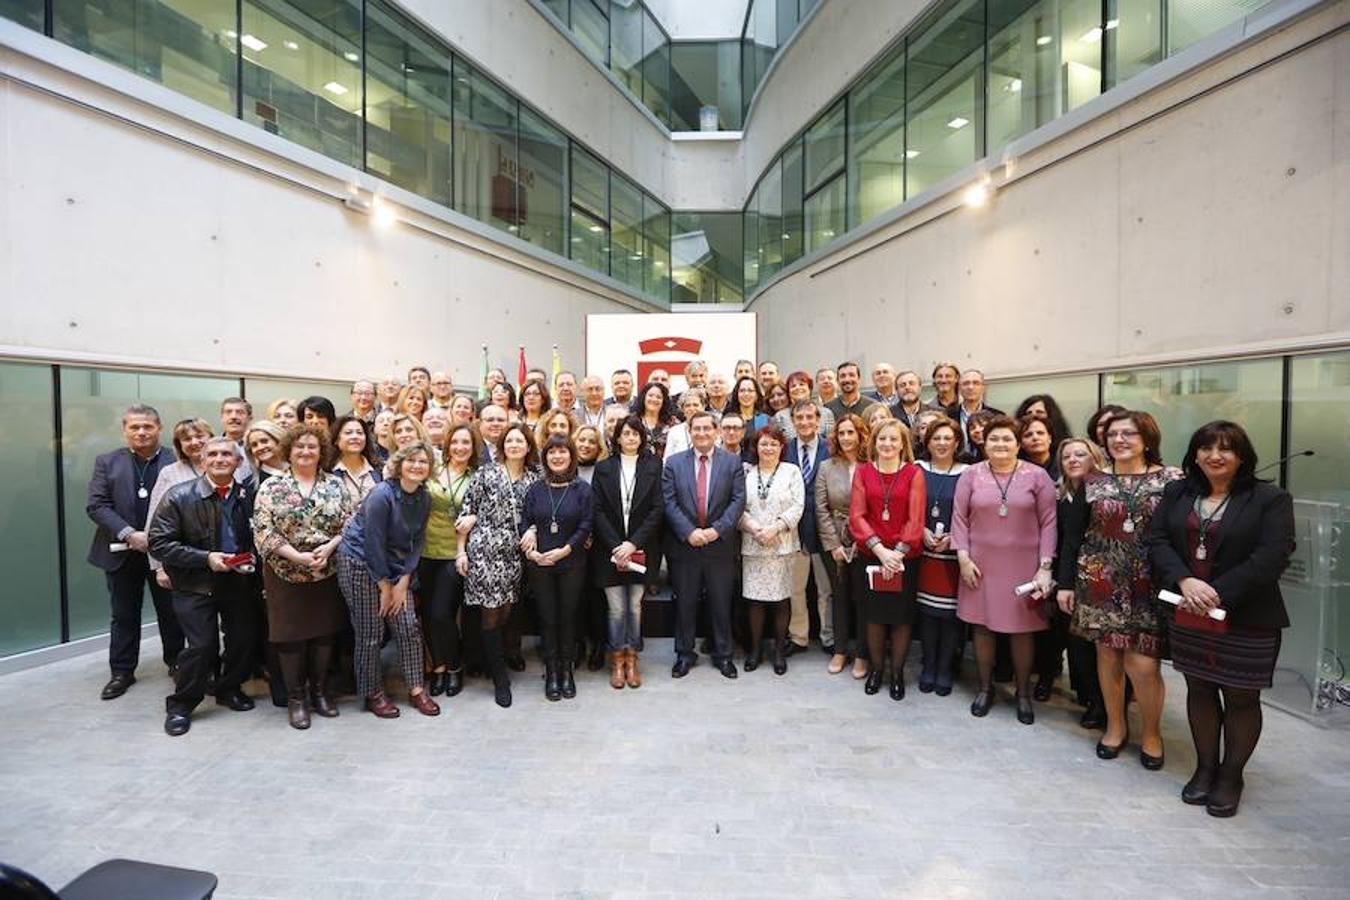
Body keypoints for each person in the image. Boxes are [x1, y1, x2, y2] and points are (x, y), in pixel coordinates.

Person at [1146, 421, 1294, 818]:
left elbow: (1272, 555)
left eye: (1226, 449)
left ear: (1241, 456)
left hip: (1247, 615)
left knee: (1242, 697)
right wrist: (1186, 580)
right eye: (1207, 448)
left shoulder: (1269, 499)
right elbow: (1156, 539)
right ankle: (1205, 768)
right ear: (1194, 455)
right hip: (1189, 610)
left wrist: (1216, 591)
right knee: (1200, 688)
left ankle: (1231, 776)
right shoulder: (1179, 492)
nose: (1216, 455)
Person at [1057, 410, 1181, 762]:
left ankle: (1152, 734)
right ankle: (1115, 726)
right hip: (1099, 581)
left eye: (1129, 433)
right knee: (1108, 657)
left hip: (1150, 583)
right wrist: (1065, 583)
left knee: (1143, 665)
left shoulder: (1172, 480)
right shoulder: (1093, 481)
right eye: (1113, 434)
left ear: (1147, 438)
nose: (1119, 440)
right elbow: (1073, 538)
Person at [148, 437, 261, 736]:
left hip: (239, 583)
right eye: (213, 454)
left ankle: (228, 689)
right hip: (195, 584)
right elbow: (158, 543)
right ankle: (181, 705)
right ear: (202, 461)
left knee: (242, 640)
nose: (220, 458)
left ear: (238, 462)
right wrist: (205, 558)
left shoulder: (250, 496)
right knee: (201, 647)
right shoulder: (178, 496)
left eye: (227, 454)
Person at [952, 416, 1057, 725]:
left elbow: (1049, 522)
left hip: (1024, 567)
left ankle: (1023, 693)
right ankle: (985, 689)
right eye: (994, 439)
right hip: (978, 564)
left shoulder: (1037, 477)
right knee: (982, 628)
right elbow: (959, 518)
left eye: (1007, 439)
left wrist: (1045, 567)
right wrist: (962, 557)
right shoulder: (970, 475)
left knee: (1021, 631)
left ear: (1018, 443)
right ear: (984, 442)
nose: (1000, 444)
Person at [251, 424, 354, 729]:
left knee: (324, 634)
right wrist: (296, 556)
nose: (306, 452)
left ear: (322, 451)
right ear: (289, 451)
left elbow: (349, 523)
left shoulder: (335, 485)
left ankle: (320, 693)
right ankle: (297, 699)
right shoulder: (272, 486)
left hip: (326, 569)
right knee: (290, 637)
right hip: (284, 572)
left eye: (312, 446)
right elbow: (263, 529)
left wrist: (330, 547)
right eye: (300, 447)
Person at [86, 403, 186, 700]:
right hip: (120, 551)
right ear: (125, 430)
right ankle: (122, 671)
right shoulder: (107, 462)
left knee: (172, 612)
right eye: (135, 427)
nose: (141, 432)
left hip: (166, 553)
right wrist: (130, 534)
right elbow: (97, 505)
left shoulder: (175, 459)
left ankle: (177, 662)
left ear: (159, 428)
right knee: (124, 614)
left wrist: (155, 538)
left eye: (148, 426)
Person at [336, 442, 439, 719]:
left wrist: (404, 581)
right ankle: (372, 692)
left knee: (408, 626)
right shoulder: (382, 494)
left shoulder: (424, 497)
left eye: (423, 462)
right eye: (411, 461)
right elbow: (373, 542)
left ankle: (417, 688)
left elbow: (416, 542)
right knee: (370, 632)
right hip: (358, 561)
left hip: (395, 567)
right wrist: (384, 586)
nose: (417, 466)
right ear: (399, 464)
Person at [460, 423, 541, 707]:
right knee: (491, 612)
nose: (515, 445)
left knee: (508, 609)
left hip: (517, 554)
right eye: (510, 441)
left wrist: (533, 530)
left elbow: (540, 515)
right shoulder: (486, 473)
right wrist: (461, 552)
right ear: (501, 446)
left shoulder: (535, 479)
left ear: (528, 446)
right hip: (485, 550)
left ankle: (496, 655)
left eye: (520, 441)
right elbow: (466, 511)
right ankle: (500, 679)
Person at [663, 411, 747, 679]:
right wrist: (689, 532)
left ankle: (724, 655)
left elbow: (738, 502)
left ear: (716, 432)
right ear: (689, 432)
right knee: (685, 603)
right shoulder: (673, 464)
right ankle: (684, 654)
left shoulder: (732, 463)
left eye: (706, 429)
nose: (701, 433)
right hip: (685, 546)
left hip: (719, 546)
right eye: (696, 429)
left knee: (721, 603)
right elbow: (669, 501)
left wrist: (715, 531)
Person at [849, 419, 926, 700]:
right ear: (874, 442)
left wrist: (897, 554)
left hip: (905, 558)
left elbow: (916, 519)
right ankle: (877, 670)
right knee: (875, 617)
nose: (888, 444)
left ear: (902, 444)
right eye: (882, 439)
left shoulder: (913, 473)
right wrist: (880, 551)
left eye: (894, 439)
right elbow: (856, 516)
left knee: (901, 619)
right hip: (872, 556)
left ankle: (897, 674)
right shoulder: (863, 472)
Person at [520, 436, 594, 700]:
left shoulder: (582, 489)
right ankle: (551, 672)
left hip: (571, 562)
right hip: (540, 563)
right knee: (548, 619)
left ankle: (567, 671)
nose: (557, 457)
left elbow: (586, 524)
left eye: (562, 452)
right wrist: (531, 545)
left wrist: (565, 550)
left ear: (571, 455)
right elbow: (525, 520)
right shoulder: (535, 489)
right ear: (545, 457)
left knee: (568, 618)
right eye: (552, 452)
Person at [592, 416, 663, 689]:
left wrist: (632, 544)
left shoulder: (653, 466)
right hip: (609, 550)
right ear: (617, 438)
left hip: (641, 548)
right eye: (626, 433)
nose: (631, 438)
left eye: (636, 433)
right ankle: (617, 659)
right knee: (617, 609)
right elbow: (596, 510)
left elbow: (658, 509)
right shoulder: (604, 468)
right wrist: (616, 545)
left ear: (641, 437)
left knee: (634, 606)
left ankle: (632, 658)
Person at [1043, 437, 1107, 728]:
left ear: (1094, 457)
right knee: (1070, 641)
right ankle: (1091, 699)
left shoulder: (1106, 492)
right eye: (1067, 456)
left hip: (1103, 579)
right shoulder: (1061, 495)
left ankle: (1102, 703)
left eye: (1080, 454)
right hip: (1066, 576)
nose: (1073, 460)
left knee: (1099, 648)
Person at [419, 423, 479, 698]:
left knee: (443, 614)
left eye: (466, 443)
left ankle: (455, 667)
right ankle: (439, 668)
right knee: (429, 616)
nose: (460, 448)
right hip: (424, 550)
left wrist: (474, 518)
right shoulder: (431, 470)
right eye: (455, 442)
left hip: (454, 553)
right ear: (447, 444)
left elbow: (485, 509)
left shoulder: (477, 476)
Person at [738, 424, 804, 675]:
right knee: (754, 601)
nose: (768, 448)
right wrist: (755, 529)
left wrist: (775, 528)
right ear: (756, 447)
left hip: (782, 545)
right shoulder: (747, 472)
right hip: (753, 544)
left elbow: (798, 505)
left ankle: (778, 651)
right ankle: (754, 651)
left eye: (773, 444)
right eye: (763, 443)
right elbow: (738, 507)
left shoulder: (791, 472)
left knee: (780, 601)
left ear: (781, 447)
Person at [915, 416, 968, 696]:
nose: (942, 443)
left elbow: (973, 513)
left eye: (948, 438)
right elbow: (908, 508)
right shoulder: (916, 469)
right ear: (928, 441)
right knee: (926, 614)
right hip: (923, 551)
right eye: (936, 438)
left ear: (957, 442)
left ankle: (945, 669)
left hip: (953, 555)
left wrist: (954, 539)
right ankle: (928, 666)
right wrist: (920, 530)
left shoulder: (969, 472)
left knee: (949, 616)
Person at [816, 413, 869, 679]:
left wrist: (865, 541)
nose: (846, 438)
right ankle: (839, 650)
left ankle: (861, 653)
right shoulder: (826, 466)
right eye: (841, 433)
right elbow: (821, 508)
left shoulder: (871, 465)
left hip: (866, 540)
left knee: (862, 598)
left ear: (861, 435)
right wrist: (833, 544)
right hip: (835, 539)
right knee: (839, 596)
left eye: (851, 432)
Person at [786, 400, 832, 657]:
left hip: (824, 530)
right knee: (796, 588)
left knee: (826, 589)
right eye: (799, 417)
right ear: (793, 421)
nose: (804, 422)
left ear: (818, 419)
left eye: (809, 417)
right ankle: (798, 636)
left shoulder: (830, 446)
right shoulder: (784, 449)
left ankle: (829, 636)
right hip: (794, 531)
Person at [146, 419, 220, 577]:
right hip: (184, 561)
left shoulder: (228, 466)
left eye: (200, 436)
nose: (194, 442)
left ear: (211, 438)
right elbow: (154, 522)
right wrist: (158, 567)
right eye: (187, 439)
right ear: (179, 445)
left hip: (224, 558)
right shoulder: (169, 473)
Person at [947, 370, 1003, 456]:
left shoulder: (998, 416)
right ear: (959, 388)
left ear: (983, 388)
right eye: (966, 383)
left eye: (976, 383)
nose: (970, 387)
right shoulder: (947, 415)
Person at [774, 371, 836, 440]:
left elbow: (831, 442)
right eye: (793, 386)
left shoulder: (826, 413)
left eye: (801, 384)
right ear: (789, 391)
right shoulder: (780, 416)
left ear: (809, 388)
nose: (797, 388)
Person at [662, 388, 707, 462]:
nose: (692, 408)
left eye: (695, 405)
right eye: (687, 405)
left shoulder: (711, 428)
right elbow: (667, 460)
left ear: (703, 407)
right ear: (682, 409)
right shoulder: (674, 431)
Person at [634, 381, 674, 459]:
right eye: (650, 395)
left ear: (664, 401)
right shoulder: (633, 420)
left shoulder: (672, 423)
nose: (654, 399)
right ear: (644, 397)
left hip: (666, 468)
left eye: (659, 397)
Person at [244, 420, 289, 487]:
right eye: (254, 445)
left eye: (264, 441)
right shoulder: (249, 484)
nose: (260, 447)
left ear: (278, 440)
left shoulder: (300, 469)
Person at [220, 397, 253, 480]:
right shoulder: (212, 448)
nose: (234, 416)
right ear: (222, 418)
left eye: (240, 412)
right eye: (228, 412)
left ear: (249, 418)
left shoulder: (257, 447)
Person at [1018, 415, 1060, 481]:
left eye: (1040, 433)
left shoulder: (1063, 463)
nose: (1035, 438)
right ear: (1021, 443)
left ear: (1049, 439)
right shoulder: (1016, 470)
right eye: (1028, 435)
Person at [731, 376, 769, 440]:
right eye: (742, 390)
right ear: (736, 394)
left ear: (756, 395)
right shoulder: (730, 418)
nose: (746, 394)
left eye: (750, 390)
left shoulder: (763, 419)